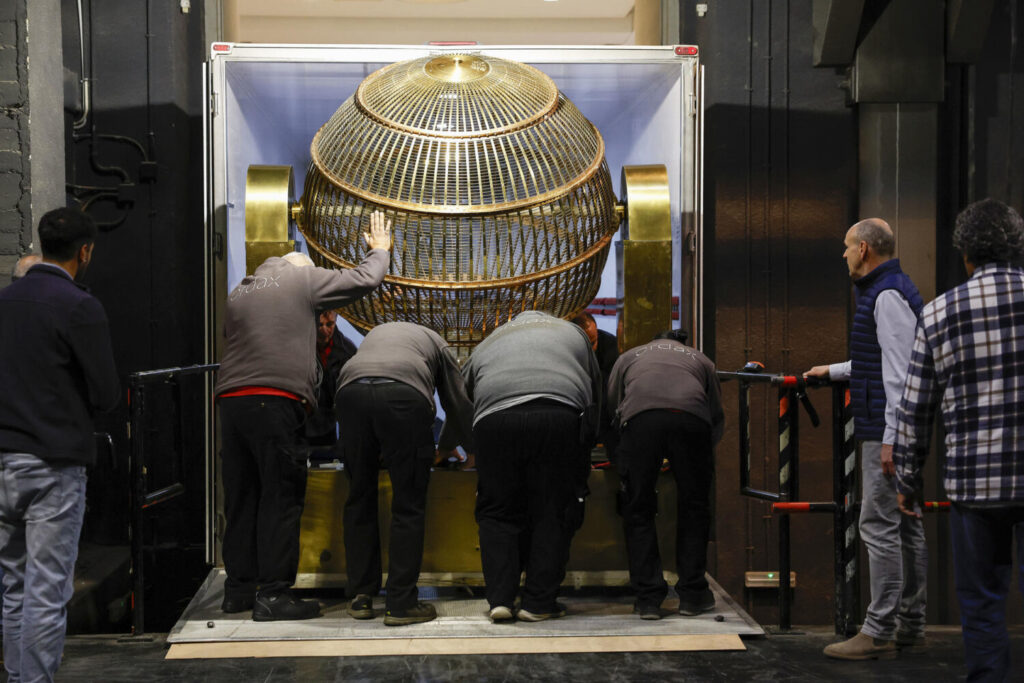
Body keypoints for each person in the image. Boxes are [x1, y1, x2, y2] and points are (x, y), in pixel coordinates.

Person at [215, 211, 391, 621]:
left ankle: (238, 591)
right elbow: (364, 280)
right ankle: (274, 595)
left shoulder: (241, 291)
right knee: (281, 497)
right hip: (275, 402)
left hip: (231, 402)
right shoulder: (301, 278)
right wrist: (379, 251)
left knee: (242, 499)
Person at [893, 199, 1024, 682]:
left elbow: (915, 407)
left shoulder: (940, 312)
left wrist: (908, 480)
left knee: (982, 602)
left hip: (975, 484)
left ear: (966, 254)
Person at [0, 208, 119, 682]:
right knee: (47, 593)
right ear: (85, 251)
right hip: (53, 465)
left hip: (3, 459)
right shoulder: (78, 306)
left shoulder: (5, 302)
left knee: (12, 587)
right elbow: (107, 393)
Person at [805, 218, 927, 660]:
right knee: (906, 524)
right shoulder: (888, 290)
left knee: (878, 525)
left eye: (846, 246)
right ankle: (909, 624)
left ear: (863, 250)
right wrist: (833, 371)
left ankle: (877, 631)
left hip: (885, 431)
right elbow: (881, 361)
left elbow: (899, 374)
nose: (842, 254)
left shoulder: (887, 295)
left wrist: (893, 439)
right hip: (896, 427)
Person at [462, 310, 602, 623]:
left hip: (494, 421)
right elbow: (595, 387)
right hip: (558, 415)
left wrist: (471, 444)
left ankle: (499, 599)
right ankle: (538, 603)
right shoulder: (573, 333)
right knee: (553, 509)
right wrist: (590, 441)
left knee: (496, 510)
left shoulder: (490, 340)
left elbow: (466, 392)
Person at [335, 322, 474, 626]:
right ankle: (400, 603)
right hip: (403, 397)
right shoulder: (437, 342)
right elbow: (457, 404)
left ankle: (361, 596)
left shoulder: (376, 334)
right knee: (407, 504)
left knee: (359, 496)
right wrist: (472, 450)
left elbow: (371, 388)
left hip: (349, 394)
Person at [607, 328, 724, 619]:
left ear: (652, 341)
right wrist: (693, 458)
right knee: (695, 508)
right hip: (691, 421)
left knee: (638, 509)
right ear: (681, 343)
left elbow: (613, 403)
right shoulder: (700, 359)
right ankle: (693, 595)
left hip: (642, 421)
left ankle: (648, 599)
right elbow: (714, 413)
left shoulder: (629, 356)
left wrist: (625, 450)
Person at [306, 310, 357, 455]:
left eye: (330, 324)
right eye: (319, 325)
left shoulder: (347, 350)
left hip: (330, 421)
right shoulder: (300, 348)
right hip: (303, 420)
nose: (324, 330)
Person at [571, 311, 620, 459]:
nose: (592, 348)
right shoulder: (566, 349)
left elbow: (609, 389)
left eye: (594, 341)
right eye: (586, 344)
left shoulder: (610, 344)